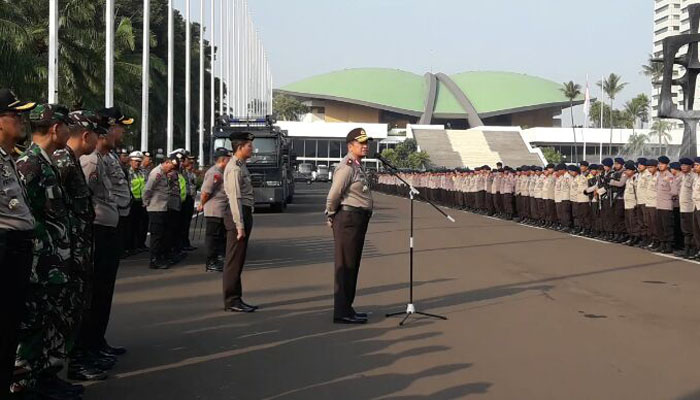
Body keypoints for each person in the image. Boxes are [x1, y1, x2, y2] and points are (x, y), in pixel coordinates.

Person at [14, 104, 77, 397]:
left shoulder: (47, 161)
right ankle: (26, 383)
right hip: (39, 263)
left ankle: (46, 376)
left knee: (50, 322)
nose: (70, 132)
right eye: (67, 126)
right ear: (56, 128)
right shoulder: (30, 164)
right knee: (32, 326)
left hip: (54, 260)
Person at [52, 110, 107, 382]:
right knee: (65, 312)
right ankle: (69, 364)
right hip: (66, 251)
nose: (99, 139)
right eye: (97, 134)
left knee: (79, 308)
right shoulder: (62, 162)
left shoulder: (72, 160)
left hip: (78, 248)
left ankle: (78, 358)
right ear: (87, 135)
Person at [77, 108, 130, 364]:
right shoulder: (91, 160)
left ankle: (97, 341)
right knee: (95, 292)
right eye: (118, 127)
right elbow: (82, 199)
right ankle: (87, 347)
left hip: (110, 227)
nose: (120, 132)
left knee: (104, 291)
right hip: (98, 230)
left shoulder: (106, 158)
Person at [0, 89, 36, 399]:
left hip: (16, 250)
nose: (22, 121)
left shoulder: (8, 158)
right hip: (5, 249)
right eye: (15, 115)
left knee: (10, 328)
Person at [325, 128, 374, 324]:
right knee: (345, 266)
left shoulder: (357, 166)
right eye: (360, 143)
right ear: (350, 146)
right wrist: (330, 214)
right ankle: (341, 311)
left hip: (357, 220)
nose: (365, 146)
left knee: (352, 265)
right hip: (348, 219)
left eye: (366, 143)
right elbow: (333, 195)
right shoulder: (346, 167)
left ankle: (348, 307)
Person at [223, 131, 258, 313]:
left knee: (239, 259)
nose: (252, 149)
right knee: (234, 260)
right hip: (237, 214)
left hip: (244, 212)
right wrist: (239, 225)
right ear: (239, 147)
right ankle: (231, 300)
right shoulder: (235, 168)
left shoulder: (241, 165)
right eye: (249, 146)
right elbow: (234, 198)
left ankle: (237, 298)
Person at [143, 155, 179, 269]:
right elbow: (148, 189)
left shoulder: (164, 173)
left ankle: (160, 257)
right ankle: (154, 260)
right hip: (155, 208)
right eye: (171, 167)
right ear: (166, 162)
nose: (171, 170)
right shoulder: (157, 173)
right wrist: (146, 202)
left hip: (162, 207)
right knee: (156, 235)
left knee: (162, 234)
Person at [199, 148, 230, 272]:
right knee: (213, 237)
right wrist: (201, 204)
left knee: (220, 236)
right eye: (229, 158)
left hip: (221, 210)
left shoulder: (222, 171)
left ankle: (217, 258)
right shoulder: (214, 172)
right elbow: (206, 192)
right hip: (214, 210)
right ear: (223, 159)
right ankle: (210, 262)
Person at [127, 151, 148, 254]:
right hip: (131, 202)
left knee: (142, 224)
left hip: (142, 202)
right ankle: (130, 246)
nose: (137, 163)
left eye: (139, 161)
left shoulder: (143, 172)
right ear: (130, 161)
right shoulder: (127, 172)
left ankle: (141, 244)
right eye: (135, 161)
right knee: (131, 225)